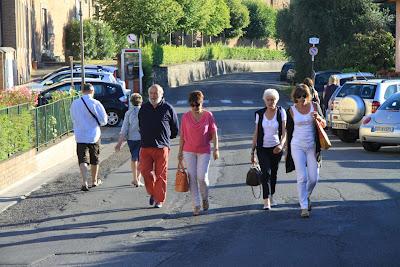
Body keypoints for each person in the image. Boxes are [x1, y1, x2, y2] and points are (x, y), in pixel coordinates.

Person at [285, 84, 326, 218]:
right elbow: (287, 131)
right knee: (302, 177)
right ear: (295, 98)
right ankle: (303, 207)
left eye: (304, 96)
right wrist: (285, 149)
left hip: (312, 147)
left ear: (308, 95)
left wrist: (318, 118)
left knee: (314, 178)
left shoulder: (314, 106)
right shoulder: (291, 110)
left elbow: (325, 124)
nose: (302, 99)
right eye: (298, 96)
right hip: (297, 146)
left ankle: (306, 195)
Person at [178, 91, 219, 216]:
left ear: (202, 103)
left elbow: (214, 133)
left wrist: (216, 149)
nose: (195, 107)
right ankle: (196, 205)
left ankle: (205, 197)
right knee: (192, 178)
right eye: (193, 105)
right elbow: (182, 136)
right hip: (188, 151)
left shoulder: (208, 115)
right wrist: (180, 153)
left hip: (204, 151)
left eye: (198, 104)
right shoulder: (185, 117)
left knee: (201, 177)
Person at [138, 84, 179, 208]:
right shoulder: (144, 108)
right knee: (146, 173)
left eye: (156, 93)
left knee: (161, 174)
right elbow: (140, 125)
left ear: (161, 94)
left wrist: (166, 139)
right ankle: (153, 193)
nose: (153, 95)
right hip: (145, 146)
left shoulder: (168, 108)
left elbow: (175, 128)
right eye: (151, 93)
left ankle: (159, 199)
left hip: (162, 147)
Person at [251, 89, 287, 210]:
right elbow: (256, 132)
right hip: (262, 148)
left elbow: (284, 131)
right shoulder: (259, 114)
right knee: (265, 173)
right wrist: (252, 151)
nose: (271, 102)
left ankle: (272, 196)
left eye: (273, 100)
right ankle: (266, 201)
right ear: (264, 100)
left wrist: (281, 145)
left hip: (276, 148)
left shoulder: (281, 112)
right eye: (268, 100)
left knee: (274, 173)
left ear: (276, 100)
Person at [70, 83, 108, 191]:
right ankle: (94, 181)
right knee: (94, 158)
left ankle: (84, 182)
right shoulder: (96, 103)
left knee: (82, 159)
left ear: (82, 91)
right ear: (92, 91)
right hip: (93, 135)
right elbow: (104, 120)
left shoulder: (75, 103)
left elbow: (73, 118)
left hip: (80, 135)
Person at [115, 93, 144, 187]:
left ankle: (135, 178)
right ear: (141, 101)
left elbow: (124, 129)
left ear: (131, 102)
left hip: (131, 139)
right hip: (142, 138)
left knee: (134, 158)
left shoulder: (128, 113)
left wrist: (119, 143)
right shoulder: (144, 112)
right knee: (141, 159)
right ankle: (138, 179)